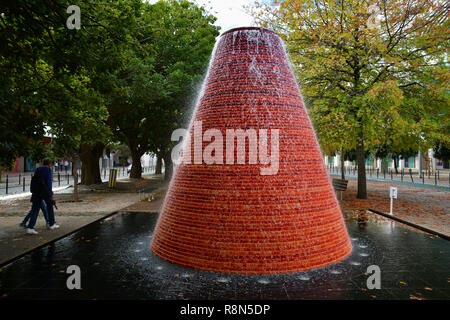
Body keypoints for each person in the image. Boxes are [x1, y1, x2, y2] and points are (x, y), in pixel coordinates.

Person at [25, 159, 60, 235]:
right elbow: (48, 183)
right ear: (49, 164)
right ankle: (52, 224)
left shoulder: (38, 169)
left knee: (35, 209)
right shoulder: (48, 170)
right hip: (45, 192)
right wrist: (51, 194)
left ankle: (30, 227)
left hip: (36, 192)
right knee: (50, 206)